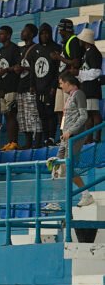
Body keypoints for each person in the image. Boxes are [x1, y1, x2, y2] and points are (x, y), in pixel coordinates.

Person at [51, 72, 93, 208]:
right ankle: (55, 201)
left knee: (68, 168)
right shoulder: (70, 96)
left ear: (68, 82)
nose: (61, 86)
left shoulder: (79, 94)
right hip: (66, 137)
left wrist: (71, 131)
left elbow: (83, 116)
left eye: (61, 83)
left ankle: (86, 194)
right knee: (57, 167)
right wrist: (65, 132)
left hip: (74, 137)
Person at [52, 18, 84, 120]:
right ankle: (62, 130)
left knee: (69, 111)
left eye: (60, 29)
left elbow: (76, 62)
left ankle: (69, 130)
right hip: (62, 81)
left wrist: (59, 57)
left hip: (70, 82)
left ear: (65, 30)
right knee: (59, 110)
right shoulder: (66, 42)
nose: (59, 32)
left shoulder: (73, 41)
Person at [0, 26, 21, 148]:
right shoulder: (1, 50)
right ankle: (9, 142)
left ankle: (14, 142)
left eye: (2, 34)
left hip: (12, 86)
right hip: (3, 87)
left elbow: (18, 67)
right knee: (6, 115)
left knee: (12, 115)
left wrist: (6, 70)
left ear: (8, 35)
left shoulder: (14, 48)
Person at [77, 27, 103, 135]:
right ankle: (89, 137)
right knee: (88, 113)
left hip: (92, 88)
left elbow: (96, 72)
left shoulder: (93, 53)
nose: (79, 40)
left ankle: (96, 137)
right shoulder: (87, 52)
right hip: (86, 88)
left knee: (94, 112)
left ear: (85, 40)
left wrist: (79, 74)